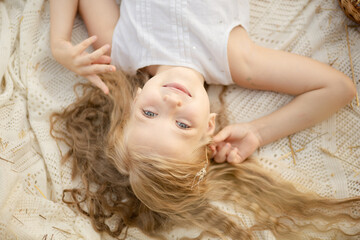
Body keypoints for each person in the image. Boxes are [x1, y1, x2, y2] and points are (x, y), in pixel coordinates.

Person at [50, 0, 360, 239]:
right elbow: (338, 88)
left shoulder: (121, 50)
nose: (171, 102)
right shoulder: (237, 61)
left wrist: (60, 42)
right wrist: (258, 132)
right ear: (209, 127)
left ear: (135, 100)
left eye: (149, 113)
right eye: (182, 126)